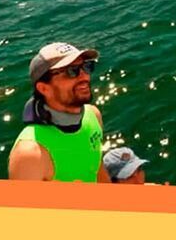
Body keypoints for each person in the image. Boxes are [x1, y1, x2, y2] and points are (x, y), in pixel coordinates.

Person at [8, 42, 108, 182]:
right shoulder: (30, 154)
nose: (85, 77)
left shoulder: (93, 115)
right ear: (44, 89)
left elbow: (97, 169)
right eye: (72, 71)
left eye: (86, 66)